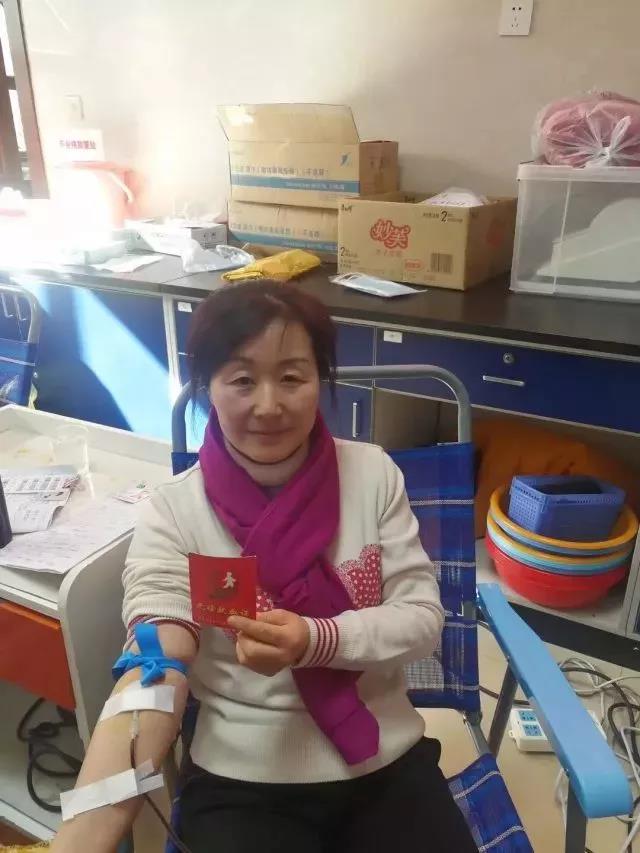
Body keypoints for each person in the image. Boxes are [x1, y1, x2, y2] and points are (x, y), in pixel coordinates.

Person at [51, 280, 478, 853]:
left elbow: (422, 621)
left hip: (383, 756)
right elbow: (156, 659)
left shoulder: (373, 475)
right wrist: (82, 837)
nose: (269, 405)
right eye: (242, 380)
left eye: (293, 378)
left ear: (321, 380)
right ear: (207, 386)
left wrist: (315, 639)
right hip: (240, 778)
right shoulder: (175, 510)